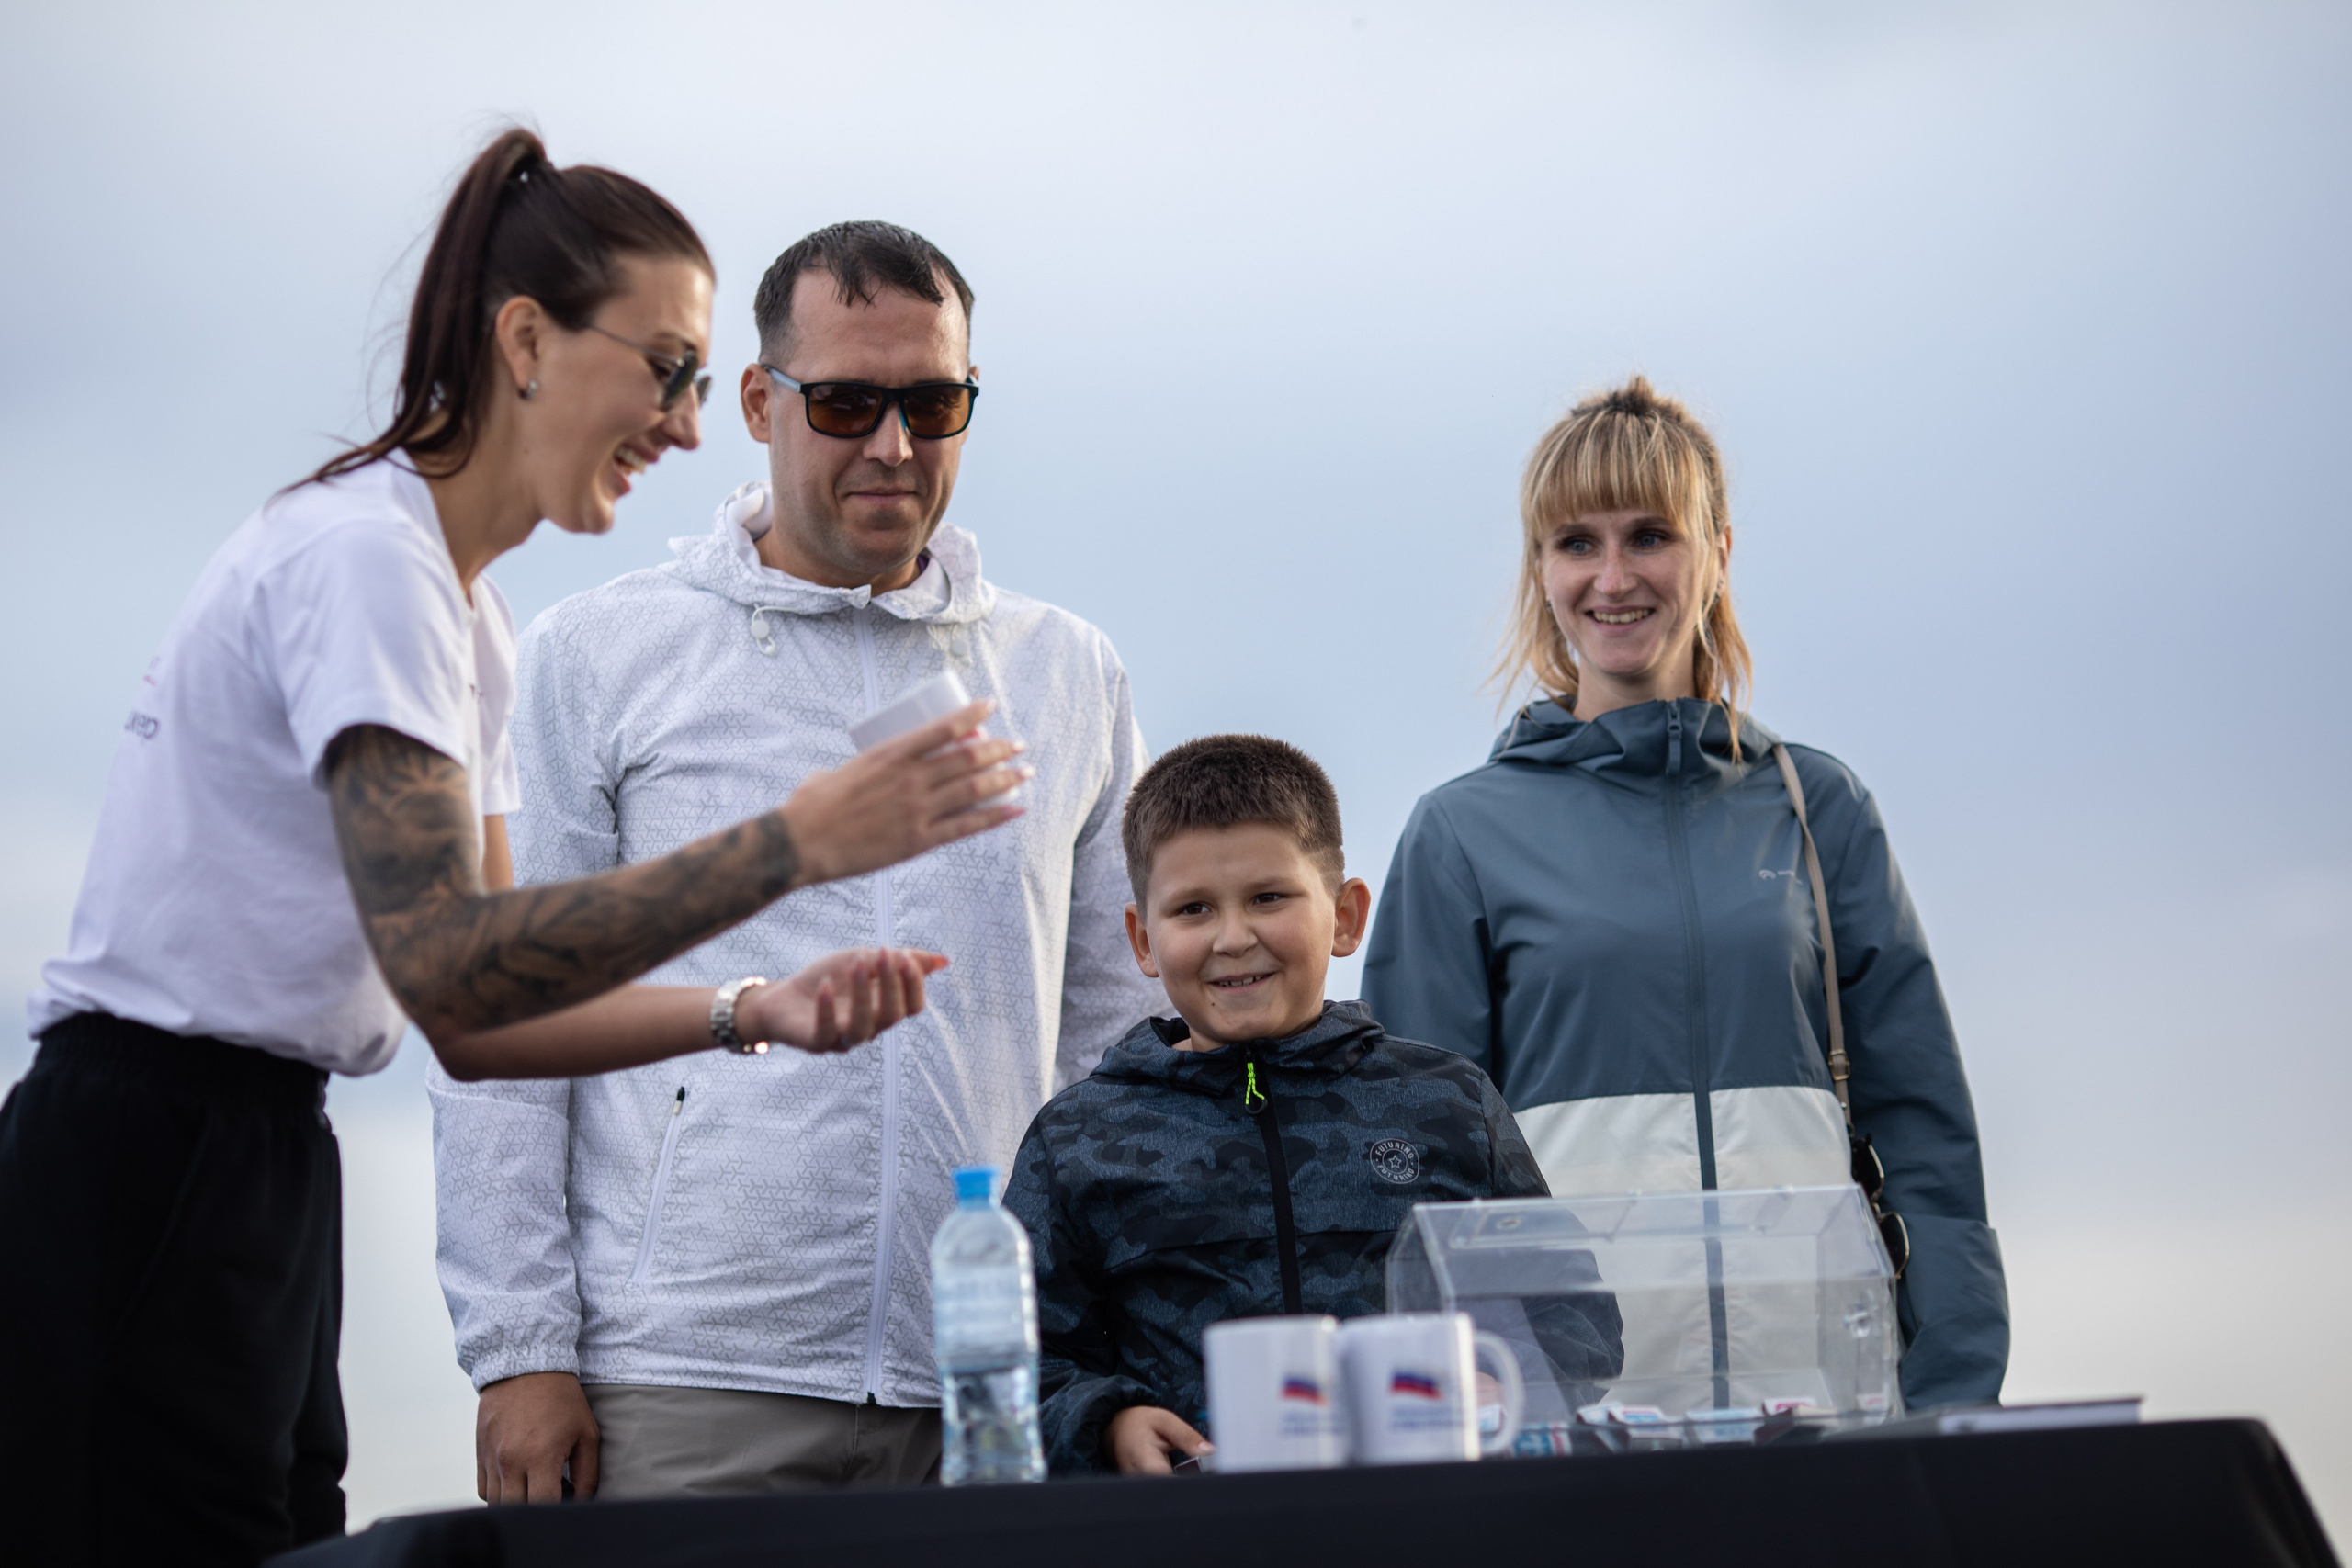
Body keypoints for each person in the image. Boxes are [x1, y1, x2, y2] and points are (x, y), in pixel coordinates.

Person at [0, 134, 1025, 1568]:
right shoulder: (367, 564)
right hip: (149, 1151)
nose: (681, 427)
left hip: (258, 1157)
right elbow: (455, 959)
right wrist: (795, 842)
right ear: (528, 339)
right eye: (666, 368)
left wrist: (751, 1011)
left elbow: (482, 1022)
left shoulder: (466, 620)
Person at [432, 220, 1166, 1502]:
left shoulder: (1067, 673)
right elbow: (510, 1023)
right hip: (686, 1379)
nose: (892, 443)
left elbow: (1121, 1044)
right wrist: (520, 1350)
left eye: (933, 402)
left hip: (993, 1387)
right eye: (846, 402)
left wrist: (1118, 1345)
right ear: (761, 403)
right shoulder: (597, 656)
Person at [1361, 376, 2007, 1411]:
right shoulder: (1460, 834)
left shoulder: (1816, 808)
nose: (1612, 578)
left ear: (1718, 552)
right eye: (1576, 543)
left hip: (1824, 1413)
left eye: (1649, 535)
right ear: (1540, 568)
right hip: (1573, 1435)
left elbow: (1924, 1134)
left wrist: (1955, 1394)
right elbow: (1405, 1176)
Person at [1002, 735, 1623, 1476]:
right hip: (1189, 1535)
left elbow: (1572, 1315)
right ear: (1142, 938)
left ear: (1346, 914)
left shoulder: (1447, 1102)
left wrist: (1502, 1376)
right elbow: (1017, 1363)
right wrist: (1110, 1421)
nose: (1234, 937)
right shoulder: (1079, 1139)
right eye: (1193, 908)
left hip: (1429, 1520)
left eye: (1269, 897)